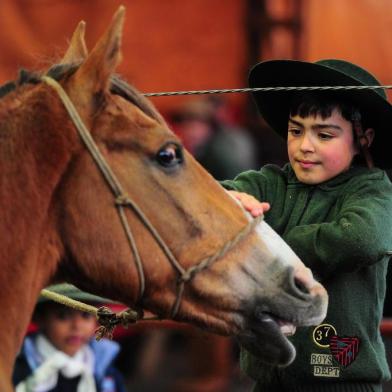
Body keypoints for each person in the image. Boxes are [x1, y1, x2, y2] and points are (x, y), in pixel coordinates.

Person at [221, 59, 392, 392]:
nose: (304, 146)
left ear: (363, 138)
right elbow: (208, 196)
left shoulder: (372, 189)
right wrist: (226, 202)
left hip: (342, 380)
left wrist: (269, 244)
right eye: (295, 130)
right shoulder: (271, 183)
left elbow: (361, 238)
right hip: (268, 379)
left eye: (324, 134)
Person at [13, 284, 126, 392]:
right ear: (39, 318)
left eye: (86, 315)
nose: (77, 326)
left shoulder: (105, 371)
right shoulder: (17, 368)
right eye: (63, 316)